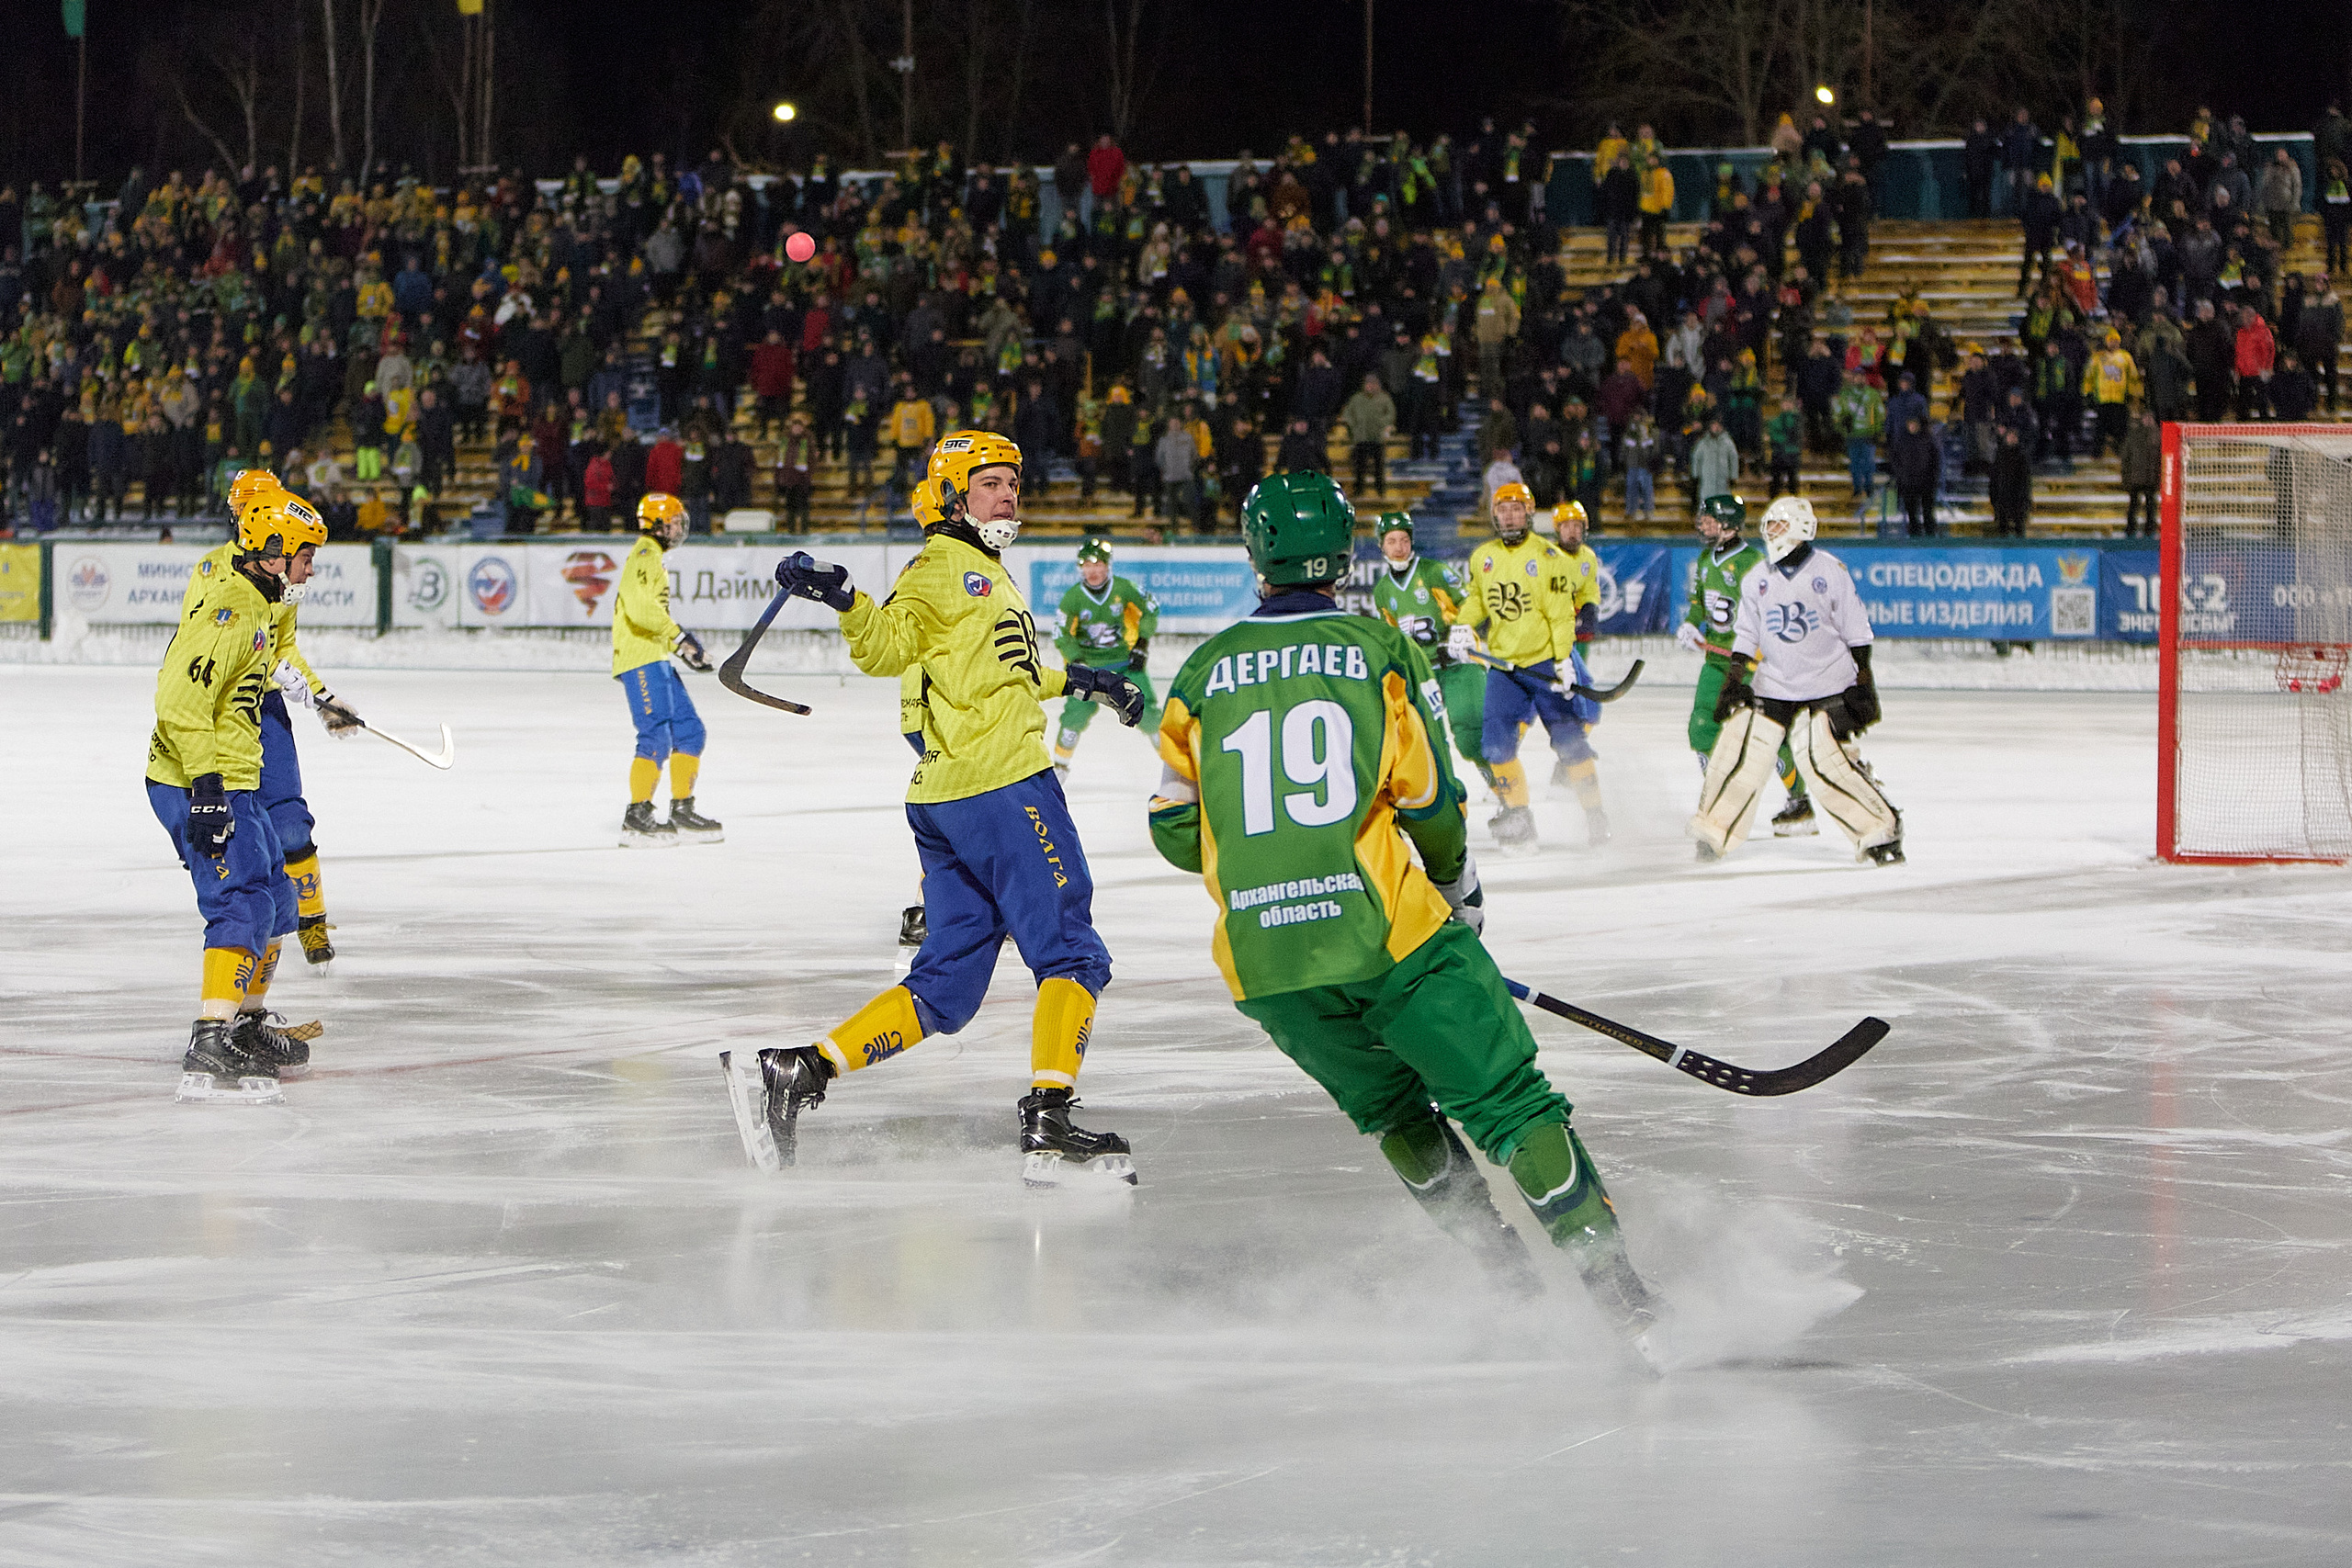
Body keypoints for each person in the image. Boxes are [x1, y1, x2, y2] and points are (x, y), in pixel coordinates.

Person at [1146, 468, 1660, 1343]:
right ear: (1343, 553)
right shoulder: (1375, 648)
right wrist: (1456, 891)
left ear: (1256, 555)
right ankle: (1626, 1305)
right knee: (1511, 1102)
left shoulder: (1200, 670)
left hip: (1264, 963)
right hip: (1389, 936)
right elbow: (1432, 803)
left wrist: (1271, 865)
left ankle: (1508, 1287)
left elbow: (1172, 827)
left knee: (1393, 1113)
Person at [740, 432, 1148, 1185]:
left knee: (946, 990)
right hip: (1003, 786)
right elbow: (886, 648)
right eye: (991, 483)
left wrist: (1087, 680)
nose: (1009, 495)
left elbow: (1005, 672)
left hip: (945, 799)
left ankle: (801, 1069)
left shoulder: (982, 572)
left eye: (1013, 482)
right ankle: (1050, 1120)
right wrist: (844, 598)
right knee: (1071, 951)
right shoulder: (939, 566)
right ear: (955, 495)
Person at [148, 491, 329, 1102]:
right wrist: (205, 788)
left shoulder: (263, 602)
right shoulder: (231, 609)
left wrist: (320, 695)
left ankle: (246, 1024)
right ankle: (211, 1036)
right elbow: (178, 700)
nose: (310, 569)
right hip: (198, 782)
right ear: (274, 552)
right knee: (239, 903)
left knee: (276, 898)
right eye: (306, 556)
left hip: (235, 779)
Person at [177, 468, 361, 969]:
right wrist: (263, 661)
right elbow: (200, 643)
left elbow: (285, 646)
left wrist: (322, 697)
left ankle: (313, 921)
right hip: (225, 710)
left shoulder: (281, 576)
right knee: (248, 835)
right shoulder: (212, 570)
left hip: (267, 707)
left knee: (290, 823)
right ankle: (256, 945)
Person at [1689, 496, 1902, 866]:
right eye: (1769, 525)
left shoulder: (1830, 571)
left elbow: (1856, 630)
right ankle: (1714, 829)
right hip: (1775, 683)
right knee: (1740, 749)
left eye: (1779, 525)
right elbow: (1746, 633)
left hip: (1828, 683)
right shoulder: (1758, 578)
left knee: (1823, 759)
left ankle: (1880, 829)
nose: (1770, 533)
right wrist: (1734, 679)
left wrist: (1864, 682)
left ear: (1802, 528)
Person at [1447, 481, 1606, 853]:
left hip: (1545, 664)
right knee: (1495, 747)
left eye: (1517, 509)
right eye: (1503, 510)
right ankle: (1519, 817)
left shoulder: (1549, 557)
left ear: (1530, 513)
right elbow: (1478, 599)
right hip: (1505, 669)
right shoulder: (1483, 556)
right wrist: (1462, 626)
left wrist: (1564, 660)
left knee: (1570, 742)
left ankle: (1596, 815)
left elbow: (1560, 615)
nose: (1510, 516)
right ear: (1494, 515)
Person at [1674, 494, 1809, 846]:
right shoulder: (1705, 560)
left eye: (1709, 520)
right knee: (1701, 727)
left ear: (1729, 525)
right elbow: (1699, 604)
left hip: (1749, 664)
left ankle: (1800, 801)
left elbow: (1771, 612)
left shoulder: (1753, 563)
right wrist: (1691, 624)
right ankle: (1718, 797)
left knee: (1766, 735)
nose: (1703, 525)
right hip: (1716, 662)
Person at [613, 492, 720, 846]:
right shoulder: (645, 553)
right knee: (655, 736)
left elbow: (652, 616)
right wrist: (680, 637)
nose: (679, 528)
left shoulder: (653, 557)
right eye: (674, 522)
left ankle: (682, 810)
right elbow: (640, 610)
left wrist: (681, 648)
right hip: (640, 658)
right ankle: (637, 816)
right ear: (658, 524)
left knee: (690, 731)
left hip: (656, 656)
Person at [1368, 511, 1492, 791]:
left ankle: (1507, 792)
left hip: (1459, 664)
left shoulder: (1435, 572)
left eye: (1404, 540)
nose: (1399, 547)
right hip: (1423, 673)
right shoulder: (1382, 591)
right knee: (1426, 745)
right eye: (1391, 541)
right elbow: (1391, 639)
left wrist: (1459, 632)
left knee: (1471, 739)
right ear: (1381, 546)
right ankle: (1445, 799)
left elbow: (1472, 604)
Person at [1051, 538, 1162, 774]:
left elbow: (1151, 607)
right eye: (1087, 565)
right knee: (1073, 718)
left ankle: (1174, 763)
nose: (1093, 571)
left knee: (1148, 713)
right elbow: (1061, 633)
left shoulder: (1124, 588)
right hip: (1089, 669)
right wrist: (1076, 660)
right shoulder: (1072, 597)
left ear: (1108, 566)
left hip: (1125, 664)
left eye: (1098, 564)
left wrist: (1142, 642)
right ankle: (1059, 769)